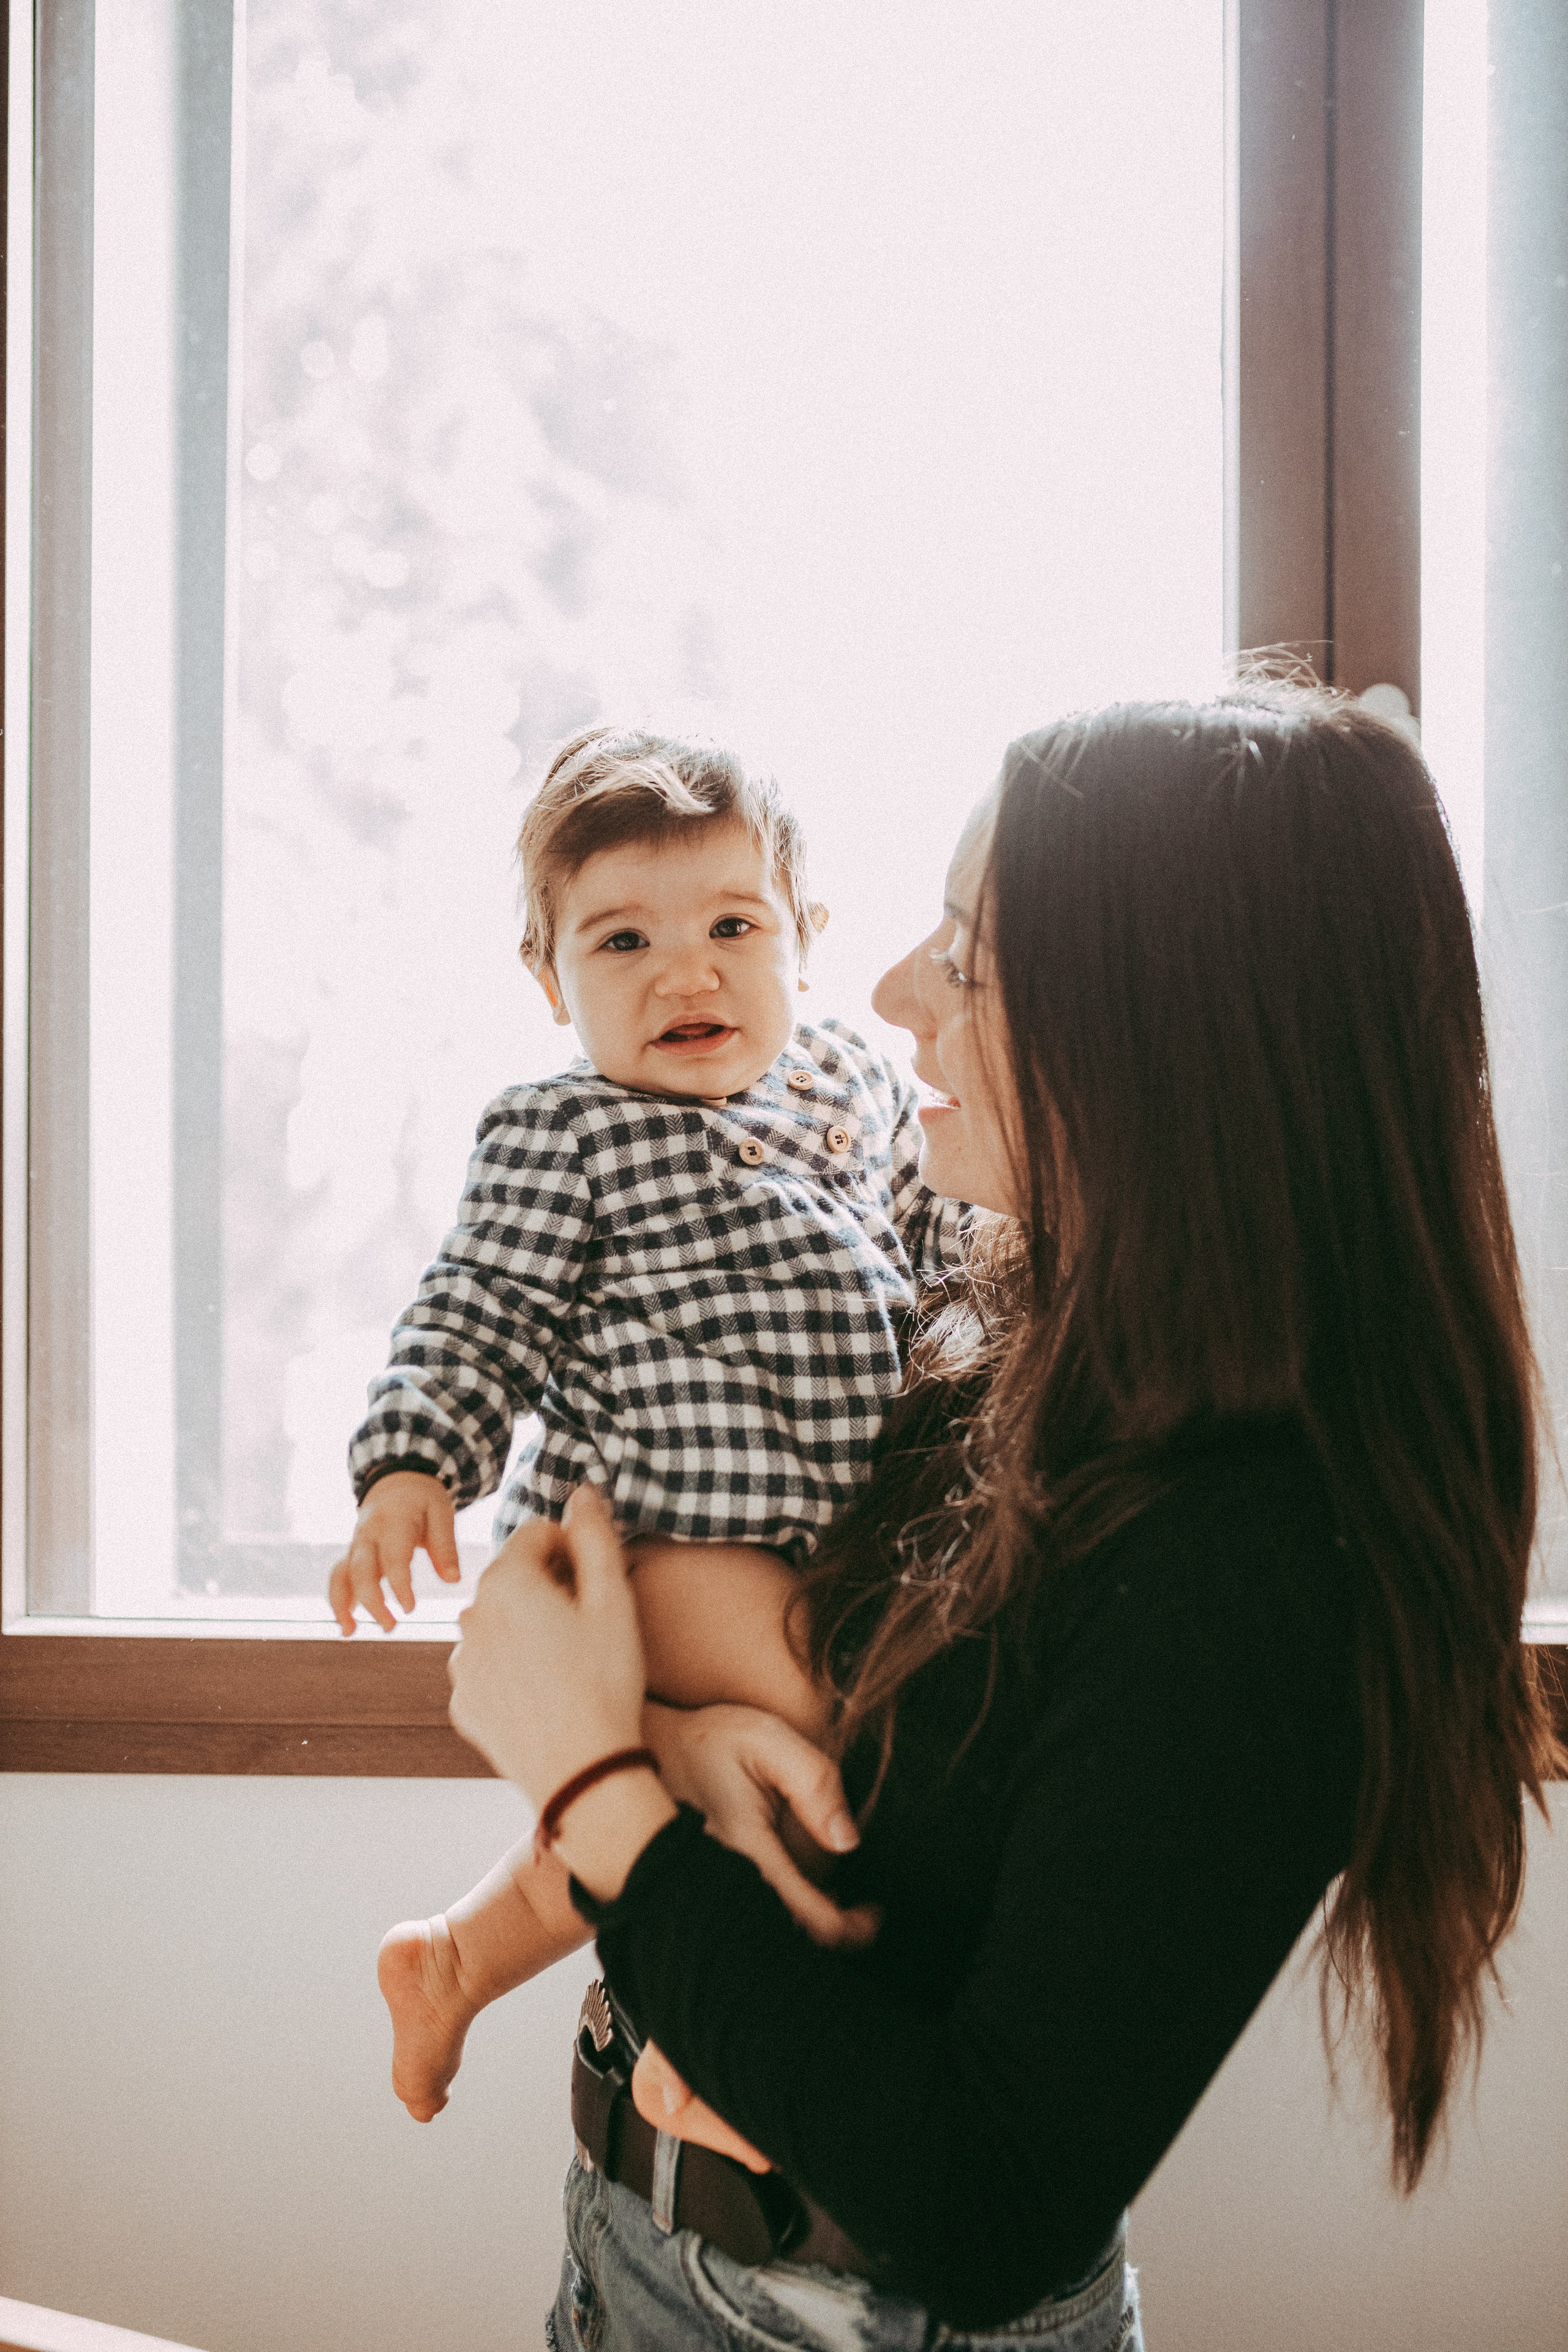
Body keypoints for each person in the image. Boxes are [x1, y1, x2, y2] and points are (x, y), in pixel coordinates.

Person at [446, 685, 1562, 2351]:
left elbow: (981, 2207)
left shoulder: (1259, 1564)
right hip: (644, 2262)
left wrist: (594, 1789)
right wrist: (674, 1748)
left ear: (1167, 1039)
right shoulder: (1005, 1339)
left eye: (967, 958)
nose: (894, 994)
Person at [328, 725, 964, 2120]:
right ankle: (713, 2051)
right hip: (655, 1553)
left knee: (725, 1786)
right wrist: (412, 1464)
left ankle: (453, 1959)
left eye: (733, 926)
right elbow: (477, 1306)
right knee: (831, 1740)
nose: (687, 973)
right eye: (622, 942)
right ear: (547, 977)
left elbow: (939, 1249)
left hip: (828, 1542)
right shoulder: (566, 1134)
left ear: (804, 937)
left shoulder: (852, 1085)